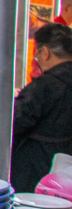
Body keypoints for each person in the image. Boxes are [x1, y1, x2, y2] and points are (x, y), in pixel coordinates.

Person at [11, 23, 72, 192]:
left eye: (37, 53)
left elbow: (16, 122)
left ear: (45, 52)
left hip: (36, 171)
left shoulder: (45, 85)